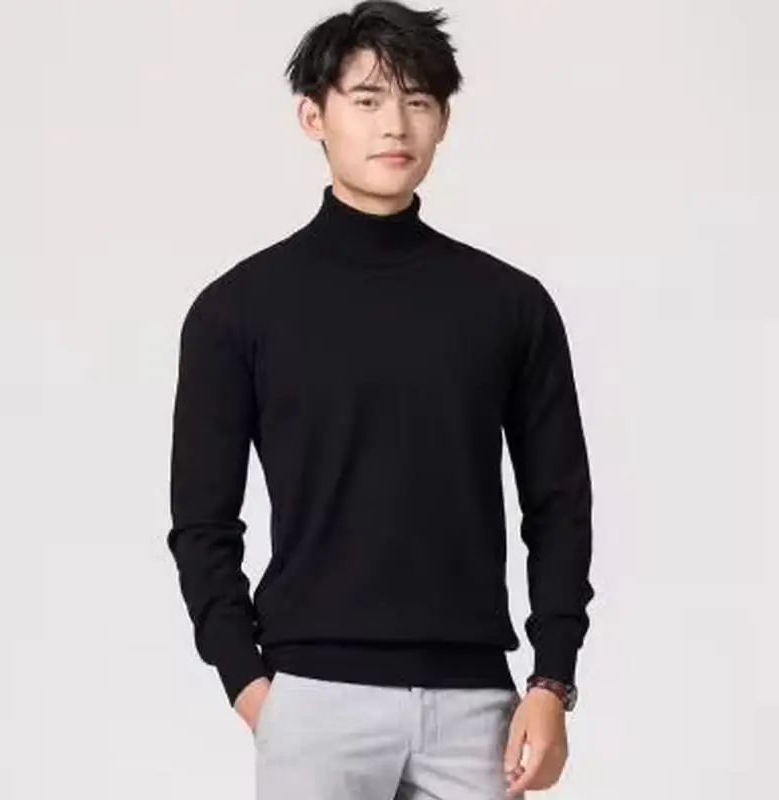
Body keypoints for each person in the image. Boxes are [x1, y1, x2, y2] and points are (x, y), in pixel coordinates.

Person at [166, 2, 594, 797]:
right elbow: (202, 523)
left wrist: (552, 680)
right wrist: (248, 683)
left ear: (443, 121)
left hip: (477, 706)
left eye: (419, 101)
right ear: (313, 116)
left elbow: (559, 503)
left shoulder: (509, 305)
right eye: (366, 99)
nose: (395, 124)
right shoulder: (239, 310)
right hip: (313, 702)